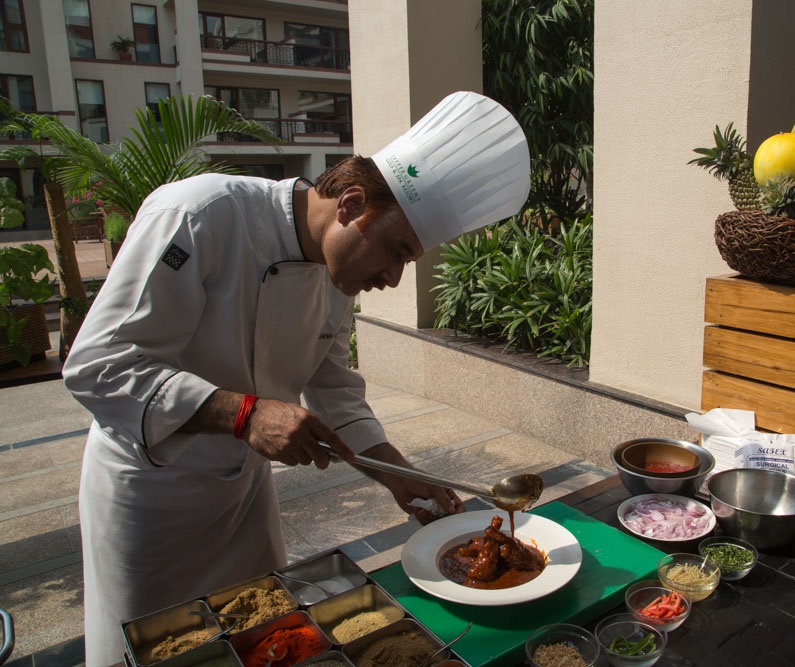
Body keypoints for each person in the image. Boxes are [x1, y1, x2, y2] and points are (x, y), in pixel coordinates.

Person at [62, 91, 530, 667]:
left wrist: (398, 474)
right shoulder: (201, 214)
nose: (392, 276)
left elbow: (332, 388)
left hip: (243, 497)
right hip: (152, 494)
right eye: (395, 251)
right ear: (351, 204)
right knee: (154, 651)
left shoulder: (336, 278)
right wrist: (247, 413)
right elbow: (98, 363)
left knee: (265, 641)